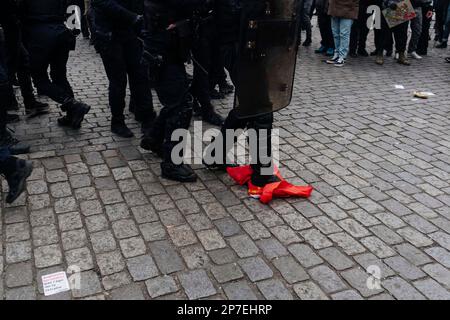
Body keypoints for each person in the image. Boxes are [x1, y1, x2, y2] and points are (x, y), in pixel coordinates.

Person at [140, 0, 211, 182]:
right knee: (181, 106)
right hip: (162, 49)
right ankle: (172, 163)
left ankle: (154, 138)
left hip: (168, 46)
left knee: (177, 101)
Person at [18, 0, 91, 130]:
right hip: (60, 32)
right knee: (59, 76)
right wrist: (73, 31)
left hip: (38, 33)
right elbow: (73, 5)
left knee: (40, 79)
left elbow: (19, 12)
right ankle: (72, 113)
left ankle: (73, 106)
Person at [91, 0, 155, 138]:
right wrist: (132, 17)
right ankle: (117, 121)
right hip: (109, 35)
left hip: (131, 33)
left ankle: (146, 117)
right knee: (118, 82)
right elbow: (102, 3)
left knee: (140, 76)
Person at [2, 0, 49, 118]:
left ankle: (29, 103)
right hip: (8, 23)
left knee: (22, 62)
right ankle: (8, 106)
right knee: (9, 66)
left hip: (12, 22)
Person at [190, 1, 226, 126]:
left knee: (216, 68)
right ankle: (206, 109)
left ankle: (192, 97)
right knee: (203, 70)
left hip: (216, 23)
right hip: (200, 25)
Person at [374, 0, 411, 65]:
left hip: (403, 6)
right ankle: (380, 54)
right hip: (389, 7)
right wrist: (387, 2)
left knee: (402, 34)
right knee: (384, 34)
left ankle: (401, 54)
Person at [326, 0, 359, 66]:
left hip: (348, 9)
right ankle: (337, 55)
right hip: (334, 8)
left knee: (344, 34)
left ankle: (342, 57)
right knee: (336, 34)